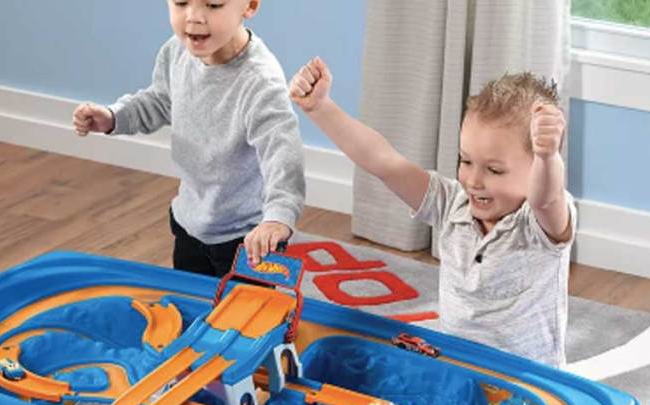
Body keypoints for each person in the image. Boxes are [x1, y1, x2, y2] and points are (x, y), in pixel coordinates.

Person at [288, 58, 575, 368]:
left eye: (494, 169)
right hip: (456, 365)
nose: (474, 180)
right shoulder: (453, 204)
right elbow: (385, 162)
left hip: (531, 381)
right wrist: (320, 108)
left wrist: (547, 157)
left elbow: (547, 198)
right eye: (466, 161)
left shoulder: (537, 225)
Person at [73, 0, 305, 277]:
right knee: (191, 304)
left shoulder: (259, 81)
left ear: (250, 5)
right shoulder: (175, 52)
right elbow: (160, 101)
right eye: (181, 2)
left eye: (214, 4)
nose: (194, 17)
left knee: (245, 316)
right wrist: (114, 117)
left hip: (247, 237)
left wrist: (278, 217)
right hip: (189, 222)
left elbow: (282, 154)